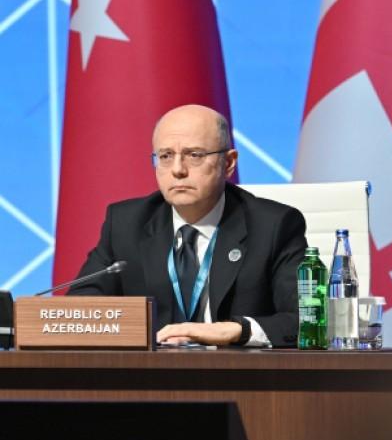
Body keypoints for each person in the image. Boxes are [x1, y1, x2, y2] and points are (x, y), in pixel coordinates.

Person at [70, 104, 306, 347]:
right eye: (165, 156)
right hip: (149, 368)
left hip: (236, 368)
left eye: (194, 155)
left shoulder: (273, 226)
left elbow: (307, 320)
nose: (178, 170)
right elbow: (79, 309)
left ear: (228, 163)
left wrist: (236, 331)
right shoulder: (127, 223)